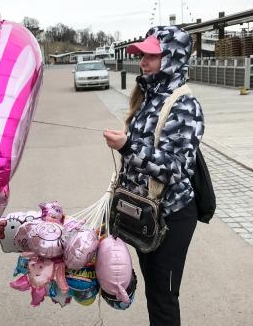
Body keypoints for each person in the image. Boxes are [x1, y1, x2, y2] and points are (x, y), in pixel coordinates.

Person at [103, 25, 204, 326]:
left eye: (151, 55)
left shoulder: (185, 105)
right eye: (142, 55)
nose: (143, 62)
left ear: (173, 57)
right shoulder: (149, 97)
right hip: (147, 215)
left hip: (171, 216)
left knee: (163, 296)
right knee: (154, 291)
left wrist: (129, 146)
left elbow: (177, 168)